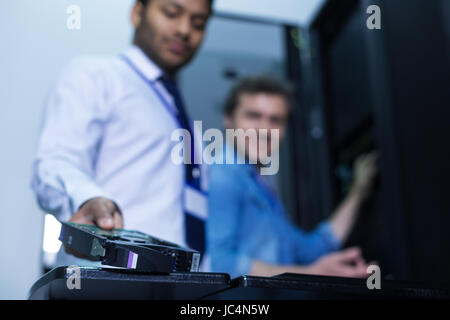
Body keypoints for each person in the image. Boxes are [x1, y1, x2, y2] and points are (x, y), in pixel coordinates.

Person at [31, 0, 214, 266]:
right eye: (171, 13)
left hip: (177, 288)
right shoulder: (95, 75)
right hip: (106, 283)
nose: (185, 30)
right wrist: (88, 198)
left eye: (198, 23)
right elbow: (54, 161)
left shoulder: (181, 115)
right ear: (138, 13)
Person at [207, 76, 378, 278]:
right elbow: (220, 264)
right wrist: (312, 272)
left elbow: (310, 250)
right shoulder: (222, 175)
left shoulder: (262, 190)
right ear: (228, 119)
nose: (264, 130)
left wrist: (357, 192)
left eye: (276, 120)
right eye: (253, 116)